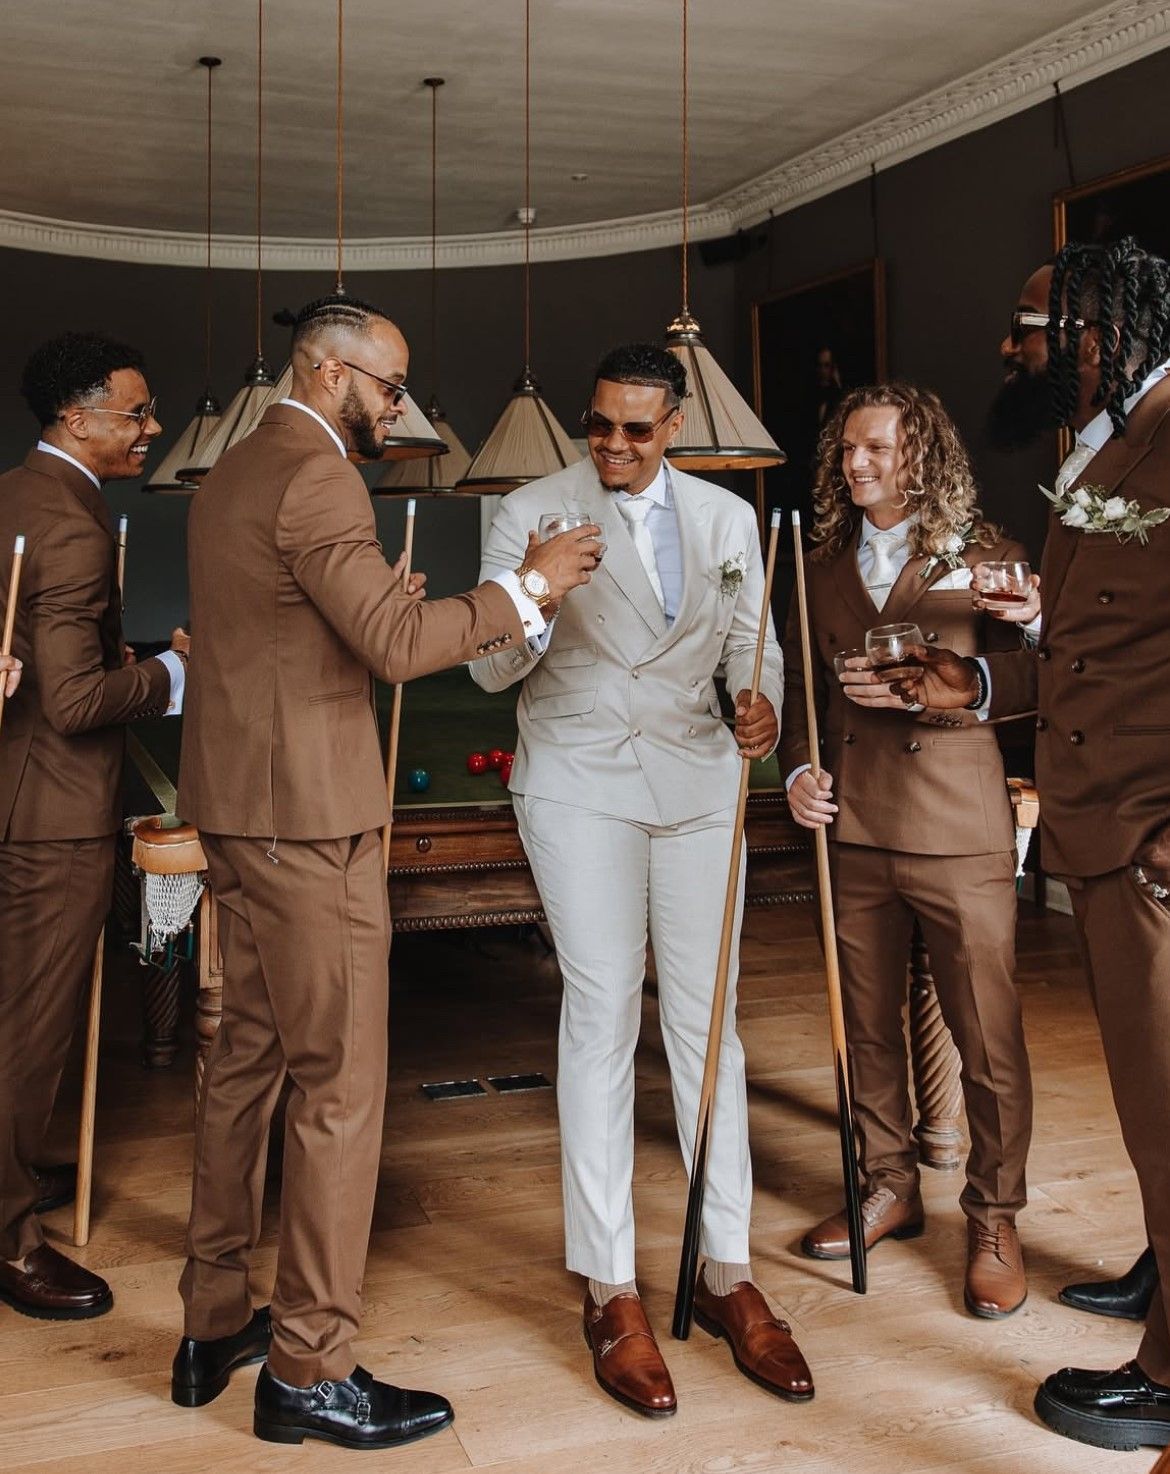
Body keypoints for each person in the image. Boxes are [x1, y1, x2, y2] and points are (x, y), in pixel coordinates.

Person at [172, 293, 600, 1450]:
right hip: (309, 823)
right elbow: (401, 649)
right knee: (342, 1092)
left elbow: (290, 629)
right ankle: (309, 1365)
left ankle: (213, 1321)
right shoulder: (319, 476)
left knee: (244, 1065)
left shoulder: (234, 470)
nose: (398, 405)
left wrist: (381, 613)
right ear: (324, 372)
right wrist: (533, 583)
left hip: (238, 812)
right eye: (386, 383)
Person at [471, 342, 813, 1418]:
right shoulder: (530, 507)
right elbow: (488, 668)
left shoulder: (723, 520)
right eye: (599, 425)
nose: (613, 445)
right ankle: (610, 1285)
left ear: (673, 428)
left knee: (715, 1028)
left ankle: (726, 1272)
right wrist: (536, 588)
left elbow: (754, 647)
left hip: (703, 782)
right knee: (604, 1011)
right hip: (577, 780)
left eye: (636, 428)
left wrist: (757, 702)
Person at [878, 237, 1170, 1453]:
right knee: (1152, 1096)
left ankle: (1167, 1373)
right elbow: (1105, 645)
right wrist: (978, 681)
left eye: (1032, 324)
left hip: (1152, 834)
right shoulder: (1112, 444)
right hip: (1099, 822)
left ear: (1100, 332)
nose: (1015, 345)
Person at [780, 382, 1035, 1319]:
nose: (857, 465)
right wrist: (799, 768)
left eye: (878, 449)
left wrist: (959, 684)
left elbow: (1040, 672)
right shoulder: (821, 561)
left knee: (988, 1040)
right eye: (848, 448)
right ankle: (886, 1183)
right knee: (866, 1028)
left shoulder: (987, 555)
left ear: (922, 455)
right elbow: (800, 688)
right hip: (851, 824)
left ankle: (995, 1216)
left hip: (959, 828)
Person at [0, 333, 187, 1319]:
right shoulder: (72, 527)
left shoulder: (16, 493)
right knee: (28, 1035)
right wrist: (176, 677)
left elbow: (39, 651)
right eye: (137, 412)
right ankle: (10, 1236)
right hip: (52, 813)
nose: (152, 428)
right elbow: (74, 701)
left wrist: (142, 650)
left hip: (12, 791)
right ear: (78, 419)